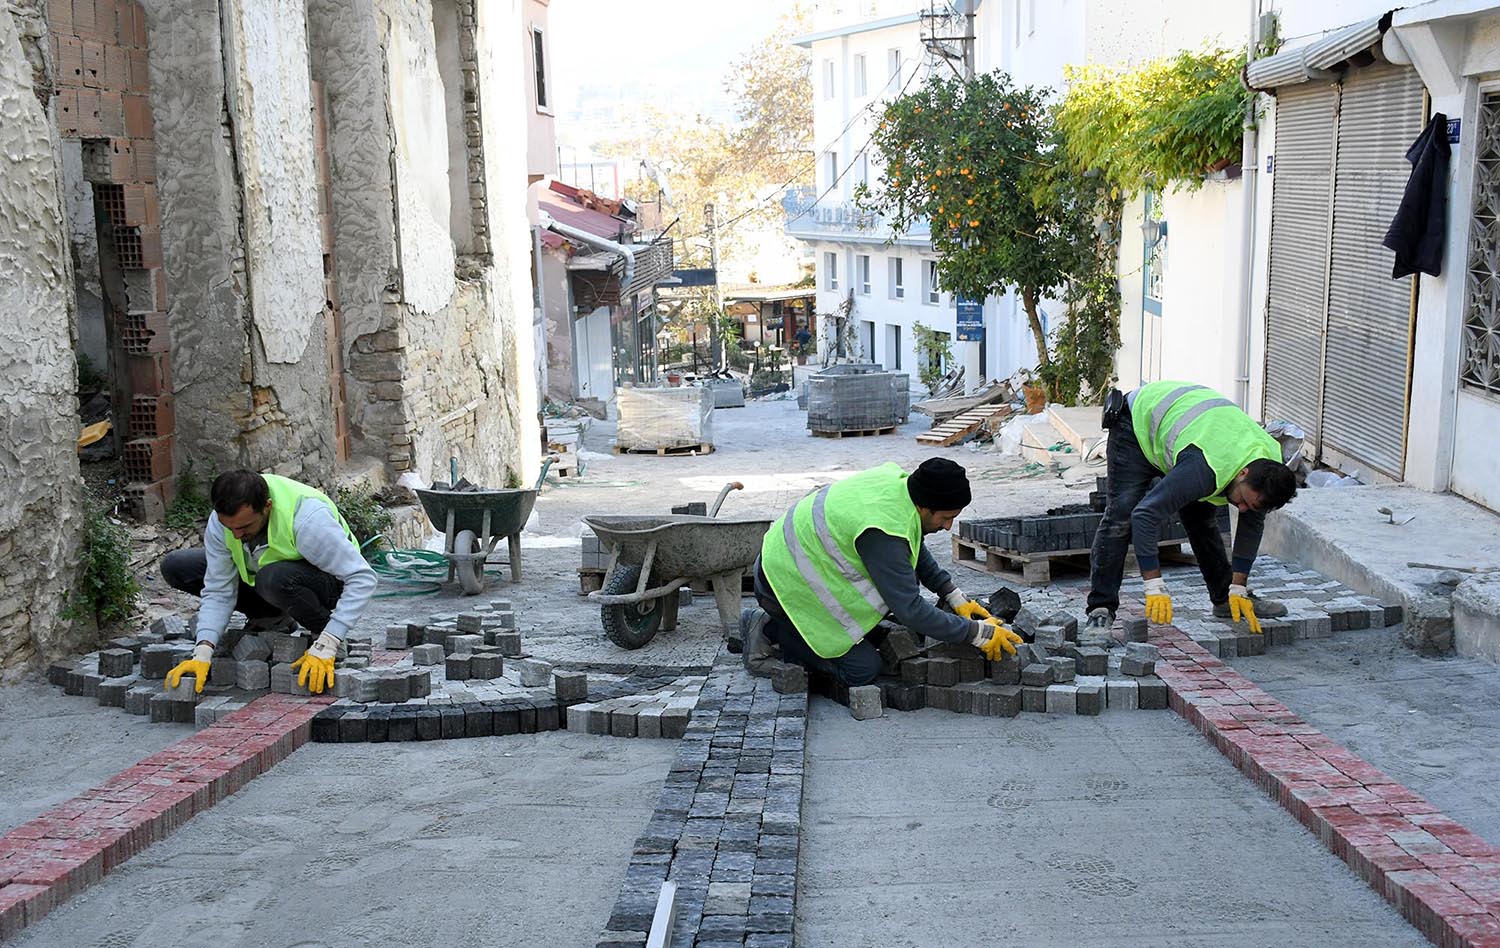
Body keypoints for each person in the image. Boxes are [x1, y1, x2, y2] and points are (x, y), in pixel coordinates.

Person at [741, 458, 1022, 686]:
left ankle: (788, 627)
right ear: (924, 507)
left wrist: (951, 593)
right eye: (945, 518)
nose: (949, 527)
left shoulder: (901, 490)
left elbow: (911, 541)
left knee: (896, 598)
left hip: (796, 563)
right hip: (782, 585)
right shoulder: (882, 532)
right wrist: (976, 633)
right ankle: (771, 629)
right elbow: (910, 610)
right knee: (863, 670)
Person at [1086, 381, 1299, 635]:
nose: (1242, 509)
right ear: (1242, 473)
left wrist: (1239, 586)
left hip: (1192, 433)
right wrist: (1153, 584)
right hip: (1137, 424)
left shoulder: (1269, 471)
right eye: (1243, 501)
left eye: (1249, 506)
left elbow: (1251, 523)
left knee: (1202, 520)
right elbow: (1145, 516)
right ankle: (1101, 608)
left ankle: (1225, 598)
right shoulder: (1205, 468)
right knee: (1121, 517)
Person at [159, 470, 377, 694]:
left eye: (244, 528)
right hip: (268, 579)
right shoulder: (222, 523)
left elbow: (362, 577)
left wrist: (330, 641)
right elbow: (218, 590)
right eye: (230, 528)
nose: (235, 535)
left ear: (267, 506)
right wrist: (203, 651)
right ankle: (271, 617)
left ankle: (323, 635)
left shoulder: (307, 519)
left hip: (327, 583)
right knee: (178, 566)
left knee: (273, 578)